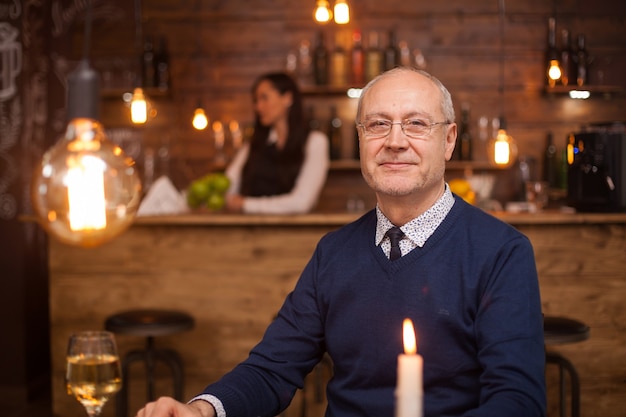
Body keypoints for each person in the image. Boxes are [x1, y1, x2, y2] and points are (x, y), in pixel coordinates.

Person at [137, 67, 546, 417]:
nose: (395, 141)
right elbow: (272, 369)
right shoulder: (334, 252)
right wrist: (201, 410)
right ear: (361, 138)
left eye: (417, 123)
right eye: (378, 124)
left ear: (449, 139)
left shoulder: (502, 252)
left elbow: (517, 401)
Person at [224, 72, 329, 214]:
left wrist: (246, 204)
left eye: (264, 98)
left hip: (294, 234)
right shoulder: (252, 145)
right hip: (248, 233)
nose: (258, 107)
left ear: (287, 98)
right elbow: (226, 186)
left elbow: (302, 202)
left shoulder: (315, 142)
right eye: (256, 100)